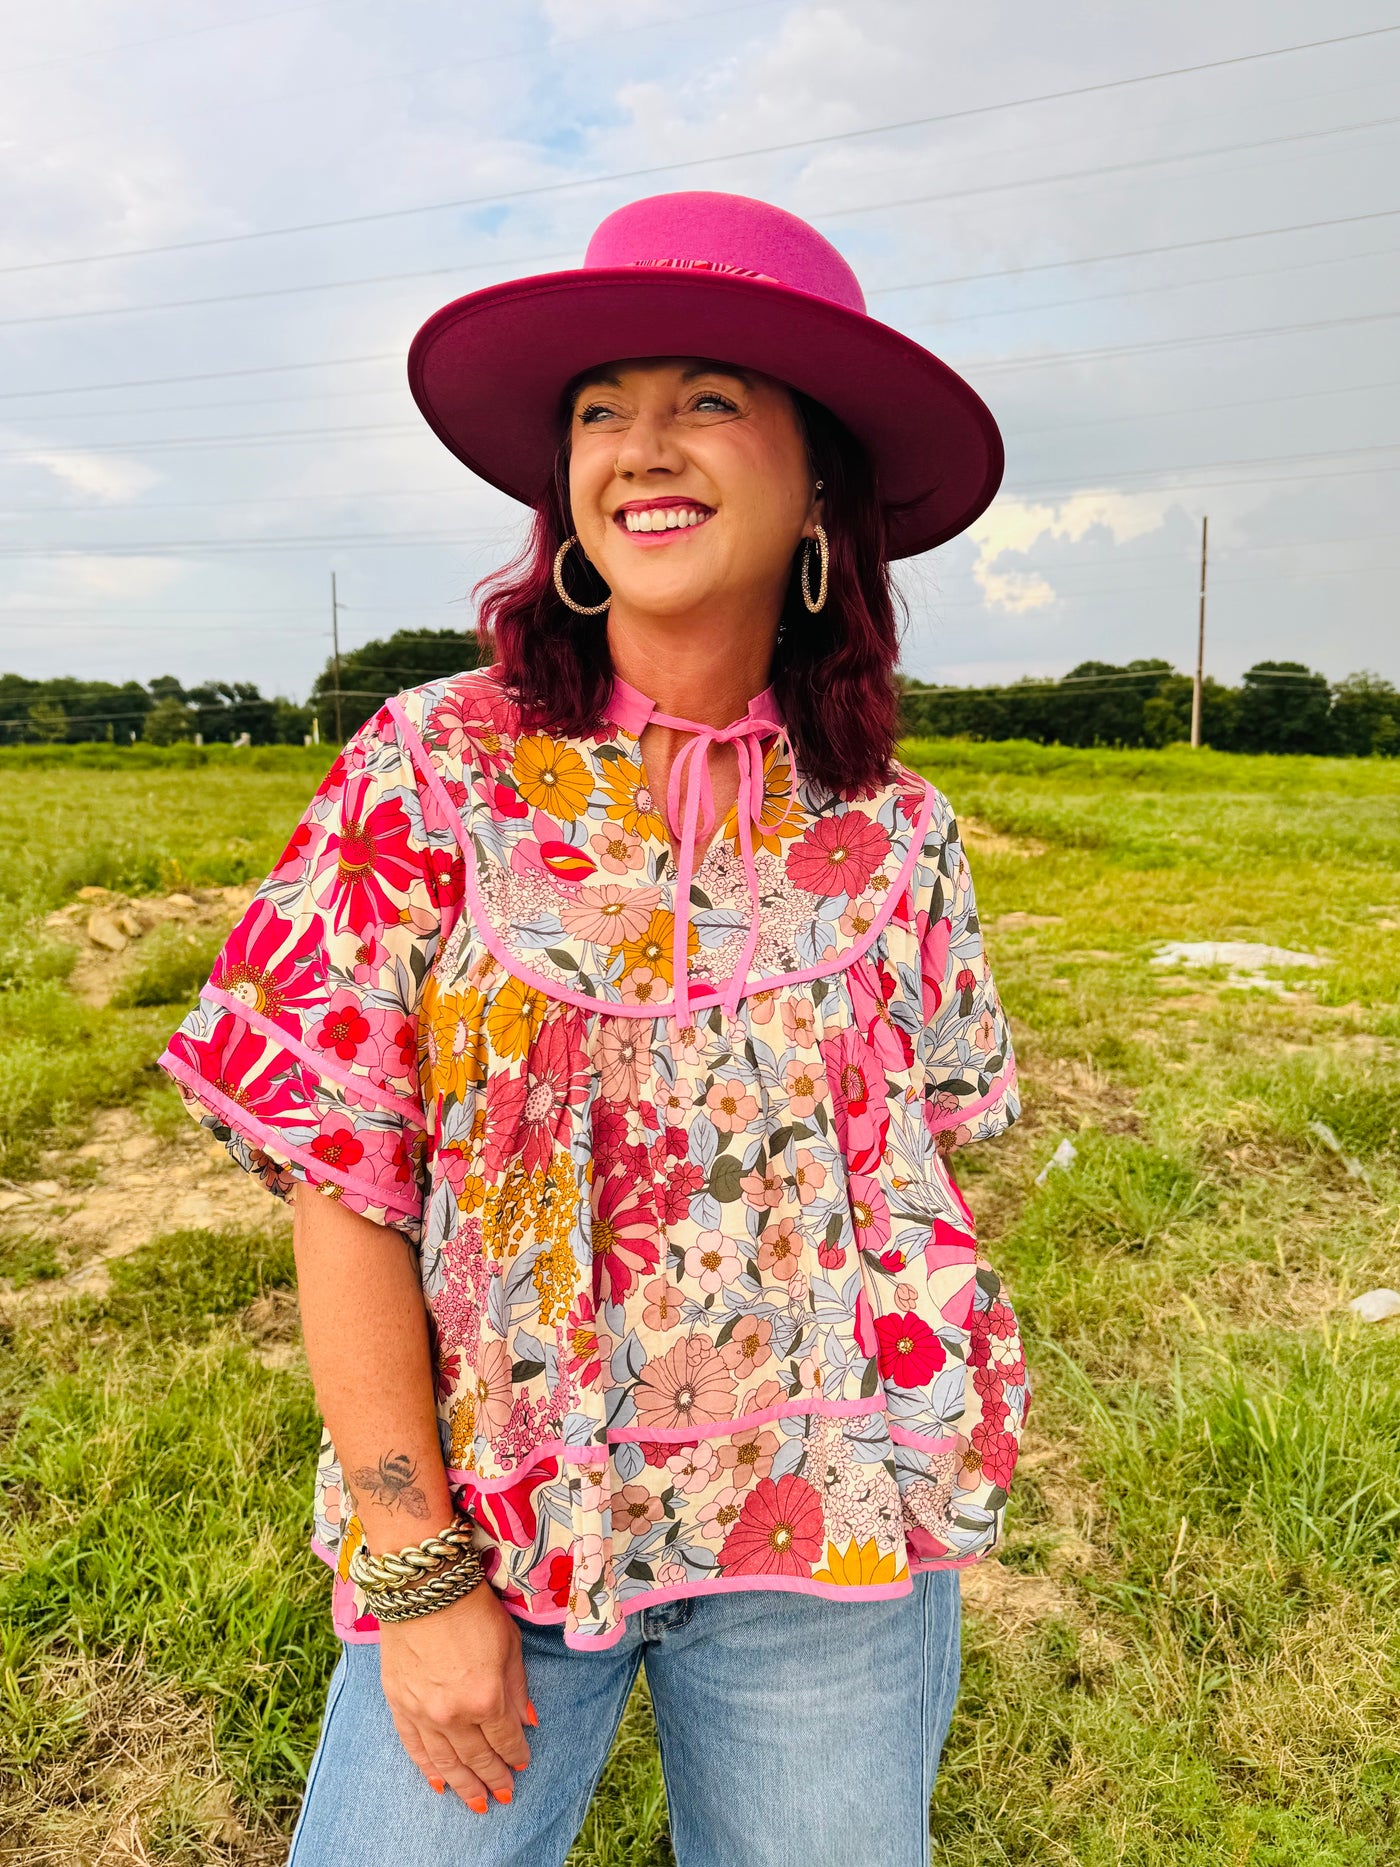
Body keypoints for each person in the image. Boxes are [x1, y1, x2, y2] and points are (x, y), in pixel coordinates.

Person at [161, 190, 1027, 1867]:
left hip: (831, 1560)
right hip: (499, 1534)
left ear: (821, 484)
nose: (644, 444)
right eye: (599, 408)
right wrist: (417, 1580)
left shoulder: (898, 832)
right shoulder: (431, 771)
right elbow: (343, 1181)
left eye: (709, 398)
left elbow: (932, 1179)